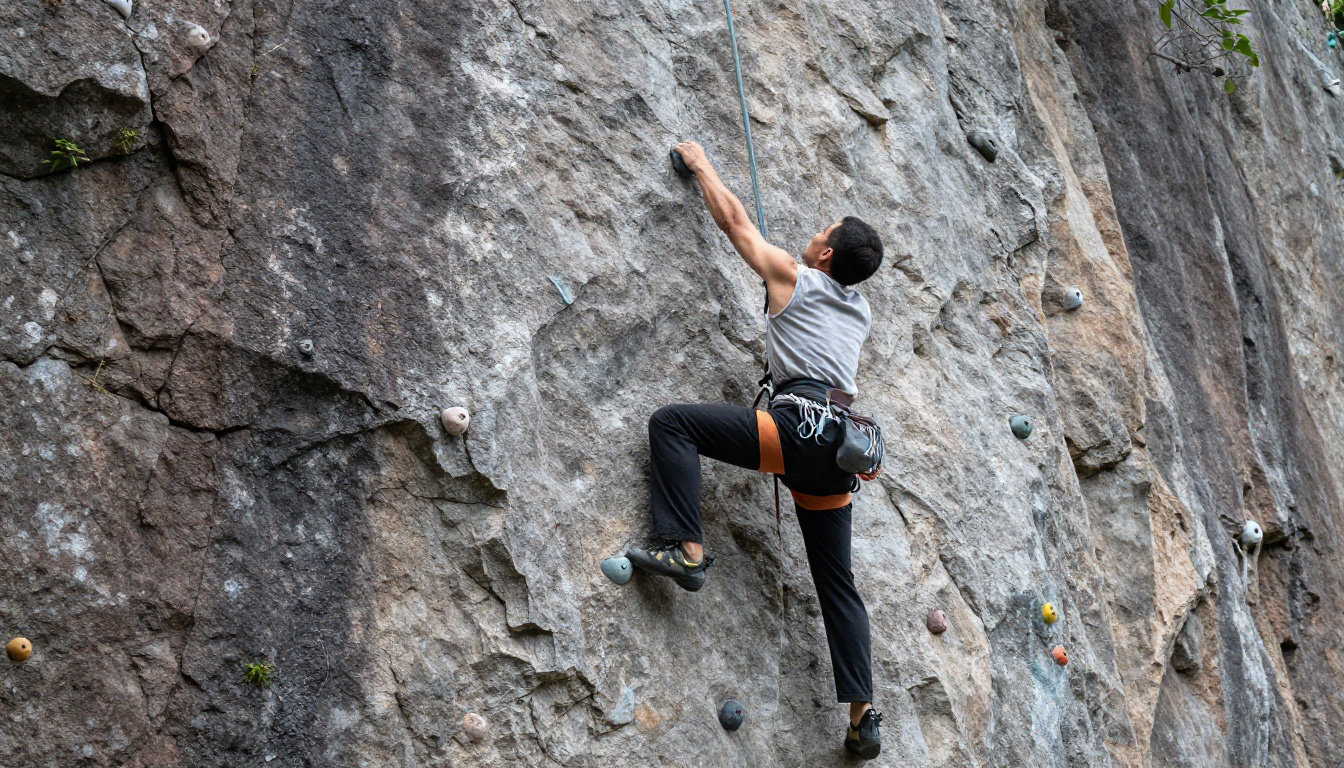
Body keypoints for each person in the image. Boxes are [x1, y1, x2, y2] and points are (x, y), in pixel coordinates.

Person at [625, 140, 885, 759]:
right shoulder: (861, 311)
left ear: (823, 252)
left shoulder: (794, 277)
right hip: (840, 453)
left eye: (822, 230)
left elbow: (736, 224)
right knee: (837, 583)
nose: (813, 231)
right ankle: (861, 714)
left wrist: (701, 164)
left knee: (672, 425)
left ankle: (686, 551)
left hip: (797, 430)